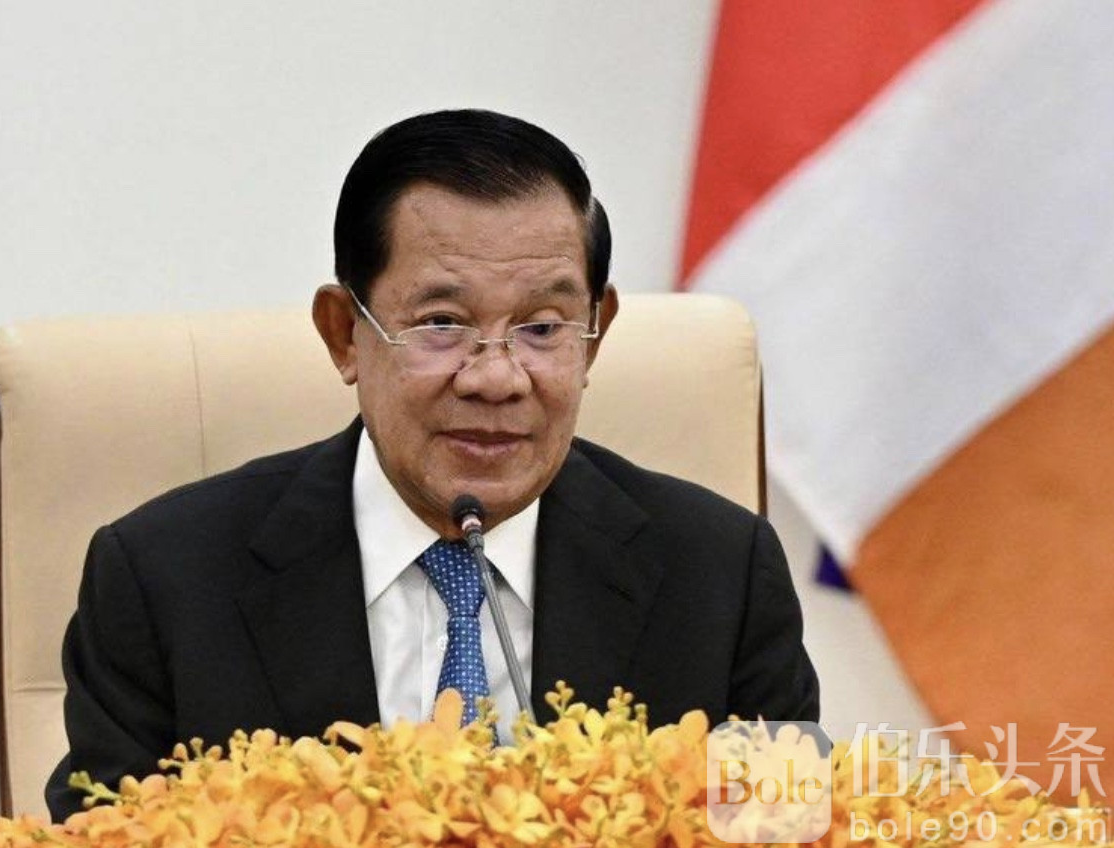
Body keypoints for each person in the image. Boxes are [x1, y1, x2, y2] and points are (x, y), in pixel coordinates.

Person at [45, 109, 819, 821]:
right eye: (443, 323)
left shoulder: (720, 575)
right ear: (344, 333)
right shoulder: (164, 579)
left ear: (595, 334)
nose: (497, 378)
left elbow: (790, 833)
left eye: (543, 327)